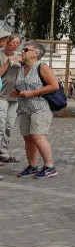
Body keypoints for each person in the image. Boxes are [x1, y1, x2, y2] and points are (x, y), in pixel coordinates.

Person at [11, 42, 58, 178]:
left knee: (38, 137)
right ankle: (32, 166)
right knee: (28, 138)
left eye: (26, 49)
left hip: (40, 107)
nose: (22, 51)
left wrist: (32, 93)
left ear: (35, 53)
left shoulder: (42, 66)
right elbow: (22, 86)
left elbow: (54, 86)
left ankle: (50, 167)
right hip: (24, 108)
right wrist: (17, 92)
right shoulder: (21, 69)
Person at [0, 34, 24, 165]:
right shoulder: (1, 55)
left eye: (17, 43)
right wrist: (8, 62)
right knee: (0, 125)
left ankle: (3, 153)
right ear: (7, 42)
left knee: (9, 126)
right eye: (12, 42)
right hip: (1, 95)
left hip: (14, 96)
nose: (14, 44)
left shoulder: (20, 57)